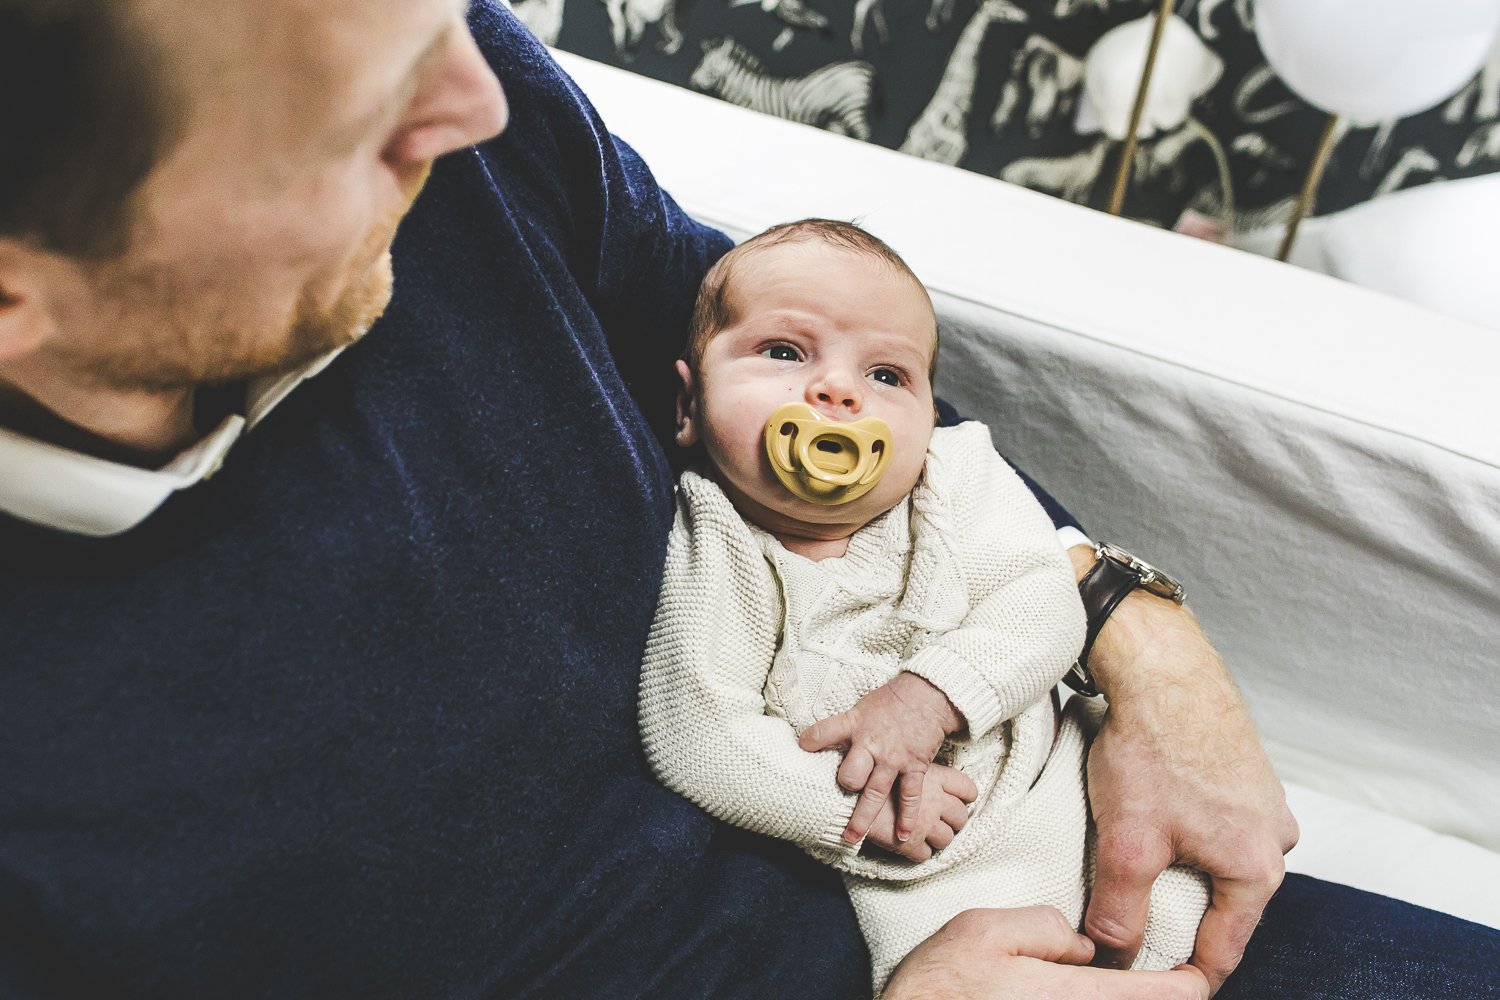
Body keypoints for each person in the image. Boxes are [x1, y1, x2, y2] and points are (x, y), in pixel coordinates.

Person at [0, 1, 1494, 998]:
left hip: (1086, 881)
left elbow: (823, 356)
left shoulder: (470, 113)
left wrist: (1140, 631)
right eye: (360, 115)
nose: (473, 101)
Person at [640, 218, 1210, 992]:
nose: (839, 392)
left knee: (1186, 918)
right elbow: (698, 729)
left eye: (888, 376)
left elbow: (1042, 602)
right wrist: (844, 813)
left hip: (1067, 788)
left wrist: (931, 696)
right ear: (687, 405)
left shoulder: (957, 474)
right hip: (924, 873)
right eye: (783, 352)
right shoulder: (719, 540)